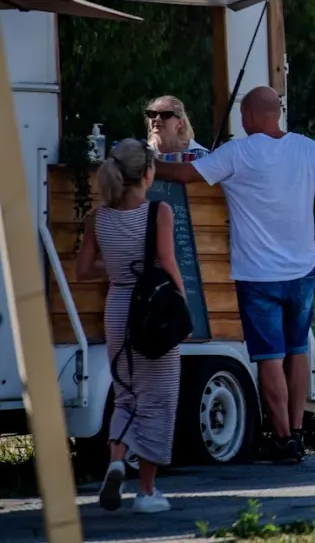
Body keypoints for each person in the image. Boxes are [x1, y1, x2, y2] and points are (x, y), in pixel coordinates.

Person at [152, 86, 315, 463]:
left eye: (243, 114)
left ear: (250, 116)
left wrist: (140, 163)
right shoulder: (308, 148)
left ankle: (282, 439)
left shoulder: (237, 153)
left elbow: (183, 174)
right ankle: (297, 431)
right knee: (297, 350)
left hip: (258, 276)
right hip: (303, 271)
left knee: (270, 357)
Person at [75, 139, 183, 514]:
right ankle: (147, 491)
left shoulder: (98, 217)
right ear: (147, 174)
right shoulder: (159, 212)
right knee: (158, 398)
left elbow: (83, 270)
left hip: (119, 308)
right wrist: (181, 308)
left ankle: (116, 462)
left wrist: (118, 267)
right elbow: (167, 263)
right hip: (153, 309)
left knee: (126, 395)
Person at [145, 95, 208, 162]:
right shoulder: (143, 154)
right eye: (153, 114)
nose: (157, 119)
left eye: (165, 115)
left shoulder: (200, 156)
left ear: (180, 123)